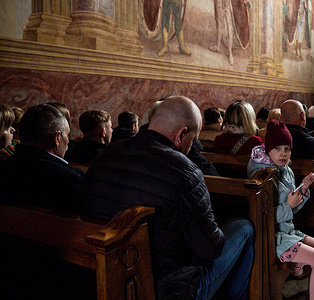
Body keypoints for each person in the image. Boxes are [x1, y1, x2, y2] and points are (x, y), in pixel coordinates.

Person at [81, 96, 254, 299]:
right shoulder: (184, 170)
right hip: (171, 288)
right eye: (193, 139)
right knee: (244, 227)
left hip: (107, 276)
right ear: (181, 135)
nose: (192, 146)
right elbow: (210, 249)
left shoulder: (106, 154)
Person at [247, 120, 314, 300]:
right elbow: (264, 218)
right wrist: (289, 206)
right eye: (278, 148)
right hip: (273, 238)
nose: (283, 153)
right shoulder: (263, 176)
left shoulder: (285, 170)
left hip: (288, 231)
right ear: (268, 149)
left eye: (287, 149)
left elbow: (292, 210)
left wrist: (303, 189)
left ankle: (296, 265)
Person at [0, 104, 84, 212]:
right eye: (66, 135)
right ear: (57, 138)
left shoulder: (5, 167)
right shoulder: (70, 180)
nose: (67, 140)